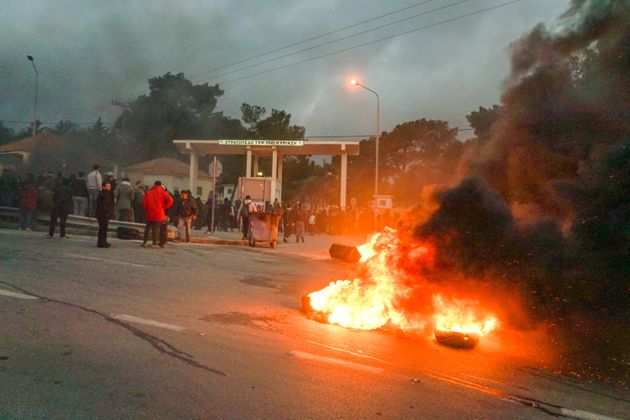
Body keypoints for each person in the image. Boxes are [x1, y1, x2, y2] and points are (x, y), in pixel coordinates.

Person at [141, 181, 174, 248]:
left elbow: (144, 203)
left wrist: (147, 208)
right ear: (161, 185)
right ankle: (154, 243)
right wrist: (164, 207)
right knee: (156, 229)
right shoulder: (163, 192)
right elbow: (171, 200)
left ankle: (145, 242)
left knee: (147, 228)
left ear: (154, 185)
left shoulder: (148, 192)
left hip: (149, 213)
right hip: (159, 213)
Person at [96, 181, 114, 248]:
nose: (109, 187)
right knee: (103, 229)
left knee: (102, 229)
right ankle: (102, 243)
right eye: (108, 186)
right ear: (104, 187)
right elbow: (105, 205)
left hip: (101, 214)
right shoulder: (105, 194)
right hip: (103, 214)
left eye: (109, 186)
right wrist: (107, 213)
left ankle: (102, 242)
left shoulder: (102, 194)